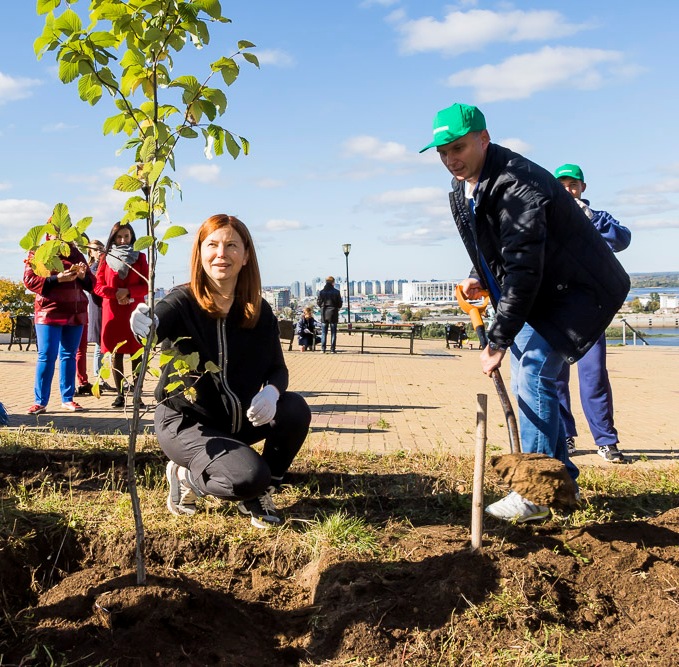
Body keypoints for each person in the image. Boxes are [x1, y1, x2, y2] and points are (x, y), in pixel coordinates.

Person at [421, 103, 630, 522]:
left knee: (532, 370)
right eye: (442, 151)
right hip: (546, 291)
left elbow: (525, 268)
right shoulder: (472, 182)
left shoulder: (517, 185)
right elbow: (494, 245)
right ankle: (560, 486)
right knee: (536, 377)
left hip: (577, 292)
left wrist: (497, 341)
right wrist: (478, 275)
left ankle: (534, 492)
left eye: (458, 147)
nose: (450, 159)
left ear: (483, 138)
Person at [130, 214, 311, 528]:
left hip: (234, 422)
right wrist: (144, 324)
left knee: (295, 409)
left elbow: (277, 369)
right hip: (186, 424)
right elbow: (156, 325)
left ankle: (259, 491)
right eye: (212, 245)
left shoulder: (257, 309)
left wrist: (271, 392)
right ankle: (187, 476)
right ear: (200, 252)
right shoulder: (182, 301)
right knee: (247, 476)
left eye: (231, 245)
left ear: (246, 255)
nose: (221, 254)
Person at [553, 163, 631, 463]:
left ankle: (606, 441)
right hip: (557, 311)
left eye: (573, 185)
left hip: (591, 312)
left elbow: (621, 240)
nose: (568, 190)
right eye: (561, 186)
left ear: (582, 188)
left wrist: (590, 221)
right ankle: (566, 436)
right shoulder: (547, 218)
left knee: (595, 376)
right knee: (556, 378)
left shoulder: (598, 218)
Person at [23, 235, 95, 414]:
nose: (61, 235)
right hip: (48, 311)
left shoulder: (76, 253)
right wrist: (57, 279)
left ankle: (68, 399)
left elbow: (91, 284)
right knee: (46, 355)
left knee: (69, 356)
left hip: (75, 311)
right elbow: (29, 279)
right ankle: (40, 402)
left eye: (64, 230)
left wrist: (83, 276)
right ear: (49, 234)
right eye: (56, 231)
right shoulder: (39, 251)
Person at [94, 222, 149, 408]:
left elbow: (146, 284)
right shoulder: (105, 258)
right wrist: (116, 293)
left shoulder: (140, 257)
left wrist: (128, 292)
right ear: (113, 238)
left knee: (137, 354)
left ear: (132, 237)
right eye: (119, 237)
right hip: (114, 312)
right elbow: (98, 286)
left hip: (134, 312)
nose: (123, 240)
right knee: (116, 354)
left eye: (126, 236)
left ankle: (137, 395)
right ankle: (119, 394)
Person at [317, 276, 342, 353]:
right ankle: (332, 349)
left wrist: (322, 307)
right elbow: (340, 304)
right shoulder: (336, 292)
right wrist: (336, 307)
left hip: (324, 313)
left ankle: (323, 349)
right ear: (333, 283)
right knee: (333, 332)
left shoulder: (321, 292)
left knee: (324, 332)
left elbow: (318, 302)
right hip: (333, 313)